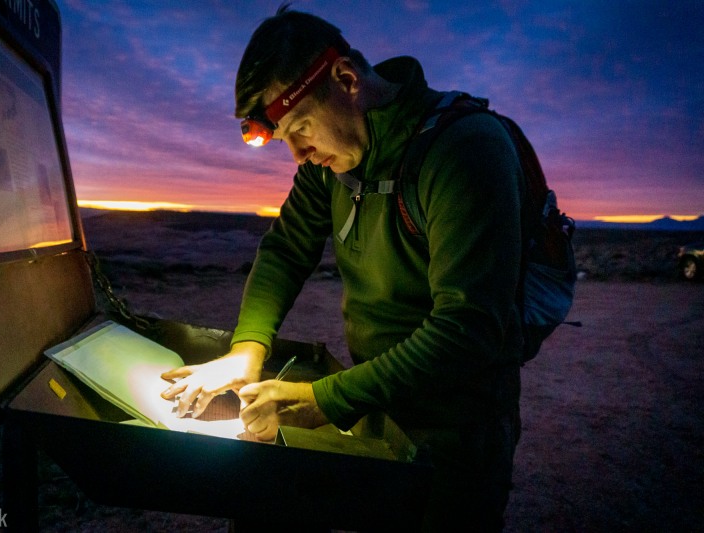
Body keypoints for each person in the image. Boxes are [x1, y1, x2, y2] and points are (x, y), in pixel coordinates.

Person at [161, 5, 524, 531]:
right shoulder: (331, 166)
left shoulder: (465, 151)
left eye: (301, 128)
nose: (299, 155)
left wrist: (324, 399)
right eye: (285, 138)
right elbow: (285, 251)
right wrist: (246, 351)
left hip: (458, 433)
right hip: (379, 405)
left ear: (346, 79)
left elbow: (466, 332)